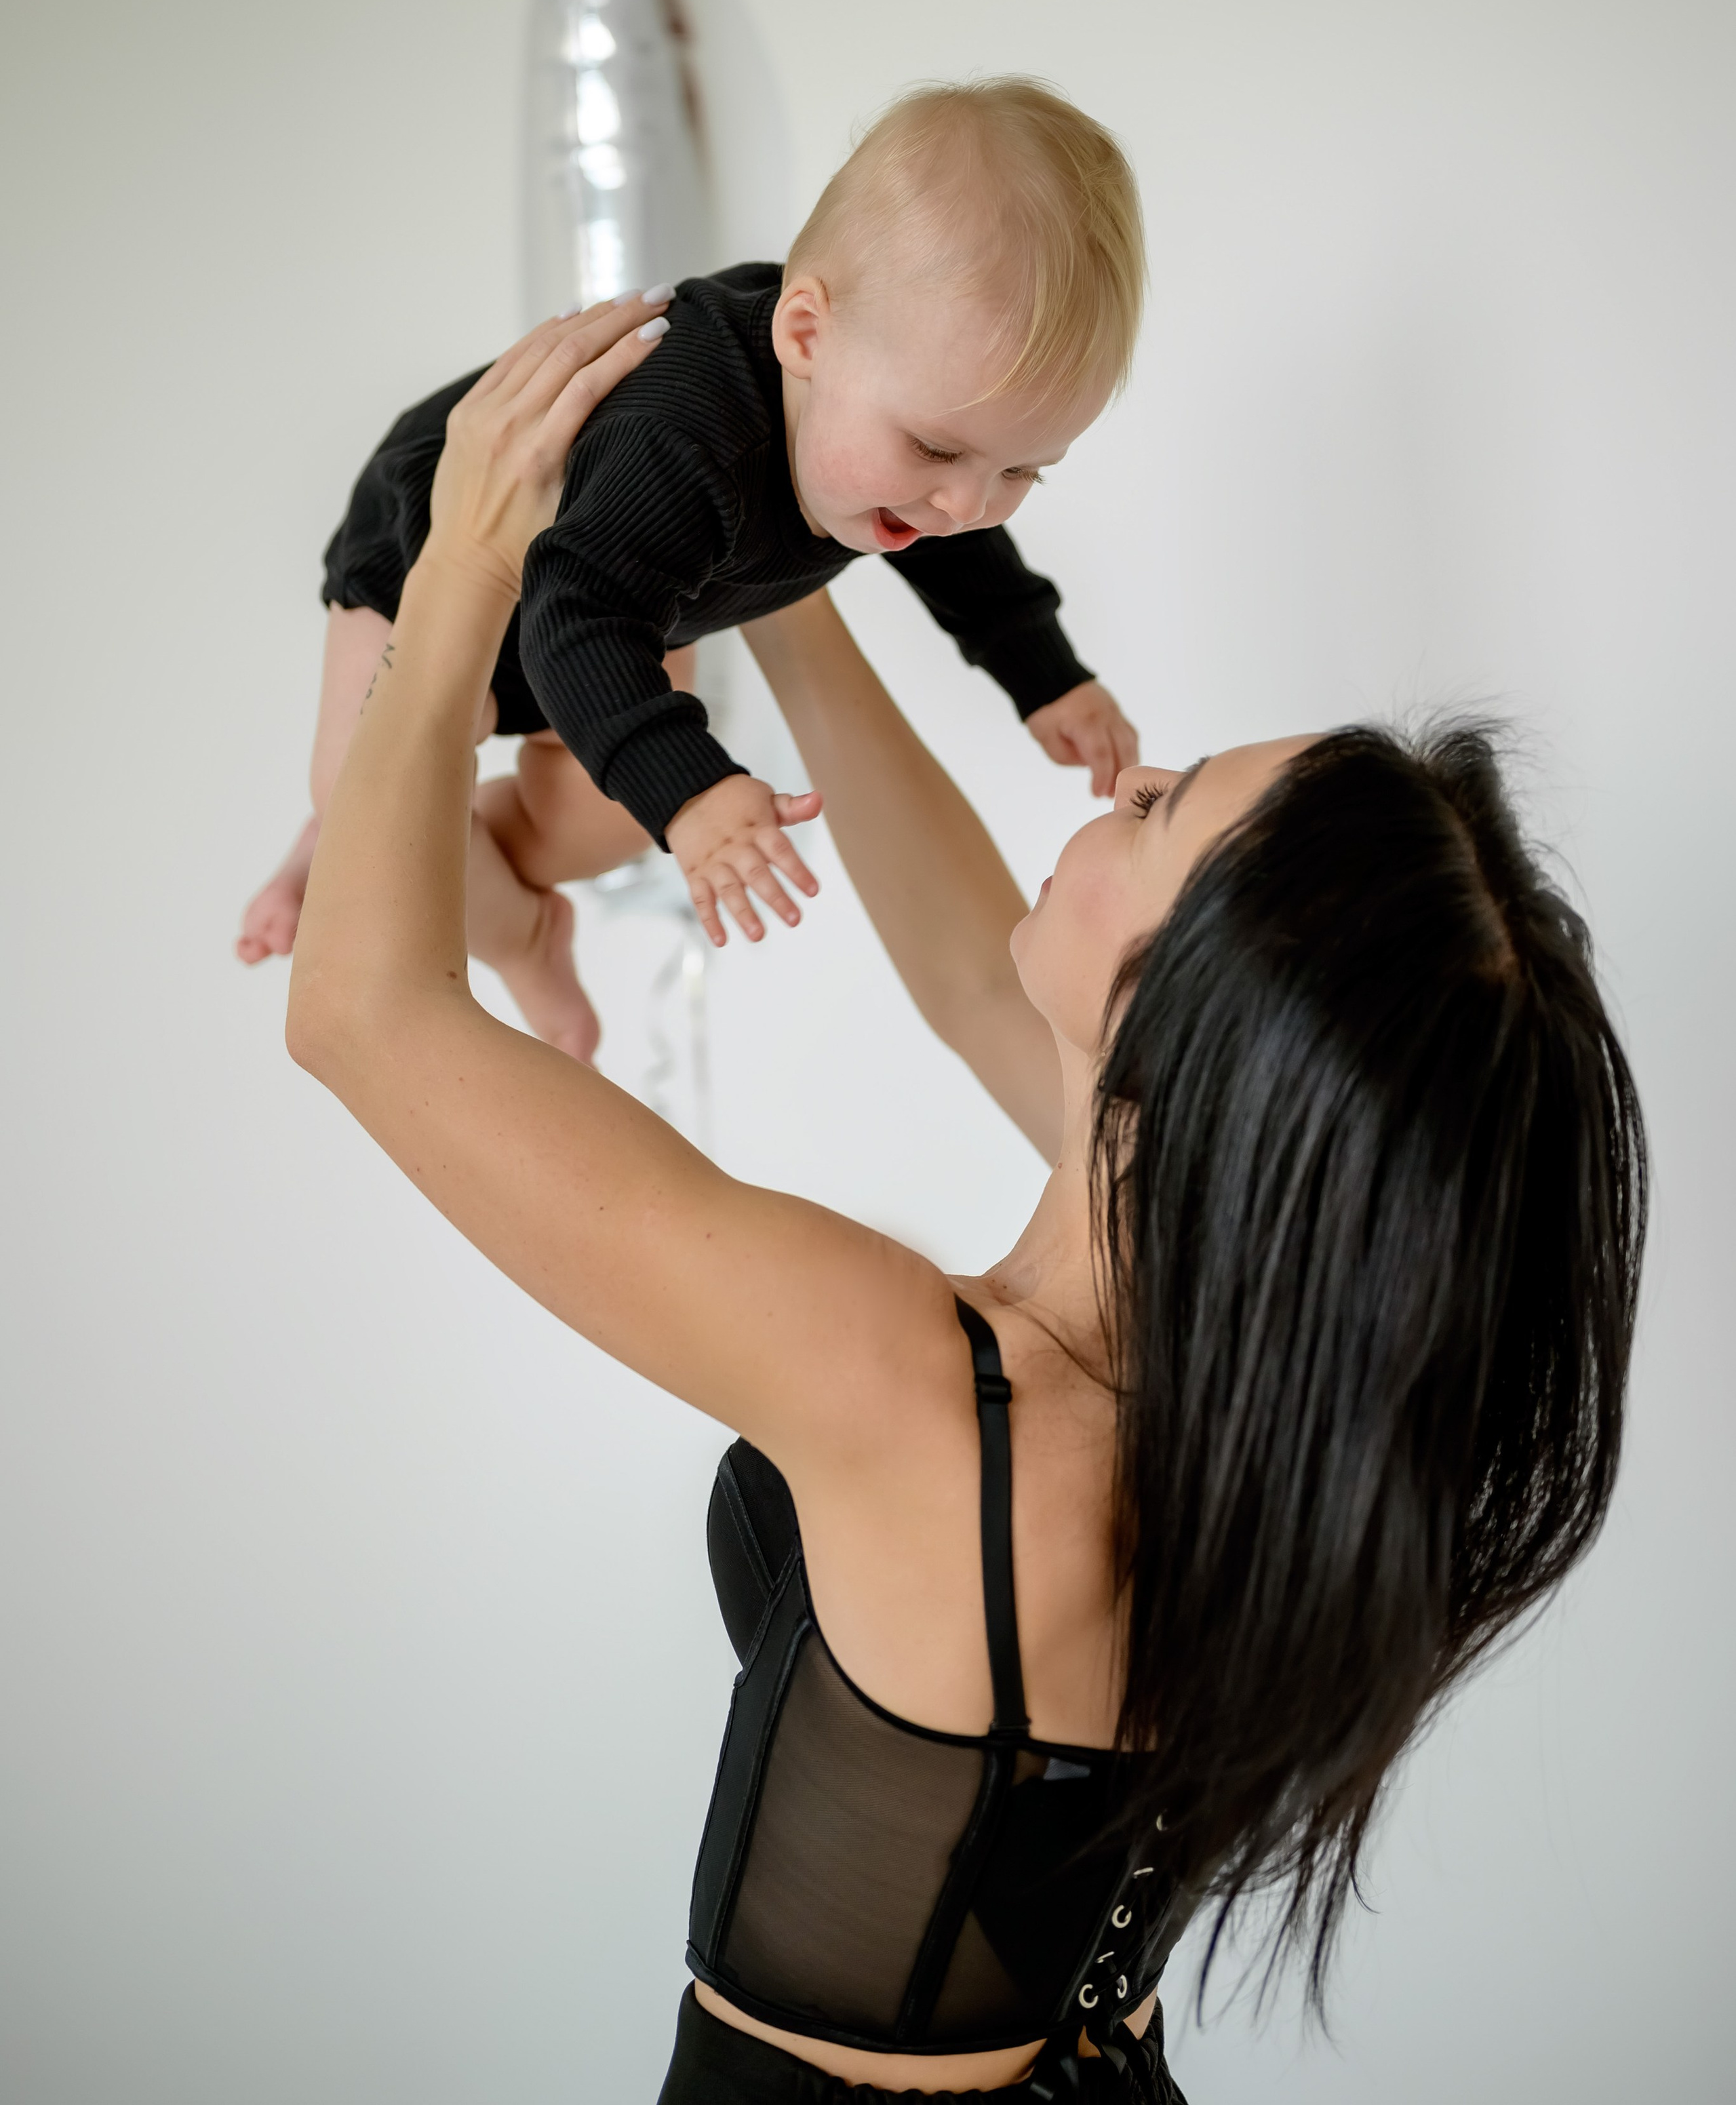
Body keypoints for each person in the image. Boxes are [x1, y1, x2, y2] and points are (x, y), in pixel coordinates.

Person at [287, 313, 1646, 2100]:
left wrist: (463, 566)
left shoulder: (917, 1392)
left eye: (1158, 806)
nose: (1117, 785)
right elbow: (955, 956)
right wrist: (797, 528)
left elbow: (360, 1010)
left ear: (1179, 1022)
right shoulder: (1253, 1374)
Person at [242, 78, 1145, 1062]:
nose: (968, 504)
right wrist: (693, 796)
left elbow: (964, 555)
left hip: (623, 609)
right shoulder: (685, 443)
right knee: (371, 796)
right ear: (805, 334)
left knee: (593, 824)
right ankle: (515, 934)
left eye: (1021, 471)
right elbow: (574, 617)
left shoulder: (904, 434)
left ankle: (393, 855)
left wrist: (1047, 676)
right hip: (439, 558)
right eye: (936, 450)